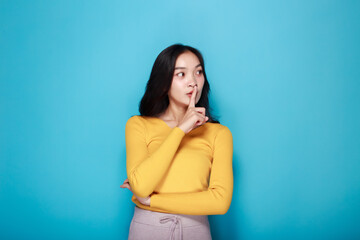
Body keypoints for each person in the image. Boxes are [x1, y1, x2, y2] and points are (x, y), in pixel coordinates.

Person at [120, 43, 233, 240]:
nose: (193, 82)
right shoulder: (138, 125)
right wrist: (180, 129)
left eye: (198, 72)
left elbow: (220, 202)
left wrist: (152, 202)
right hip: (147, 230)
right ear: (164, 83)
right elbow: (141, 187)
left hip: (195, 231)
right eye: (181, 74)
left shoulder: (218, 133)